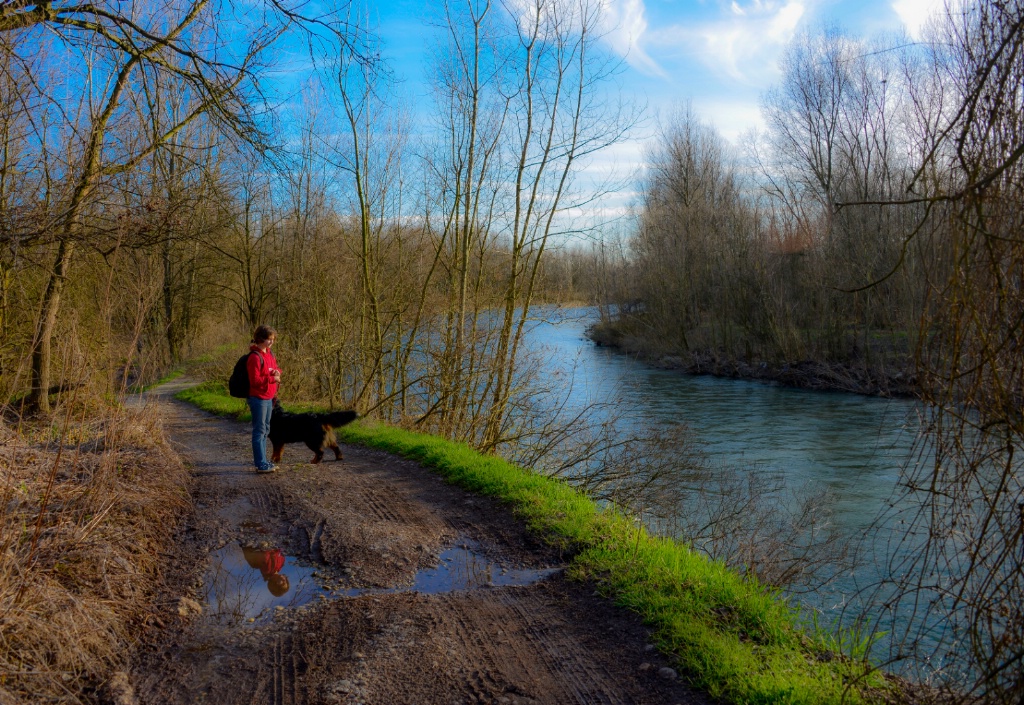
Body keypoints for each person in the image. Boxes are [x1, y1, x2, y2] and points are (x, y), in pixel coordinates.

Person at [247, 325, 282, 473]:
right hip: (258, 398)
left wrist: (276, 372)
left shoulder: (270, 354)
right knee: (259, 431)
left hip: (269, 397)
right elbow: (254, 381)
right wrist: (272, 378)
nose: (271, 342)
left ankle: (264, 462)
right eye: (269, 339)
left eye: (273, 339)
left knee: (266, 430)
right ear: (261, 339)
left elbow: (277, 369)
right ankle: (260, 464)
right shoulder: (254, 357)